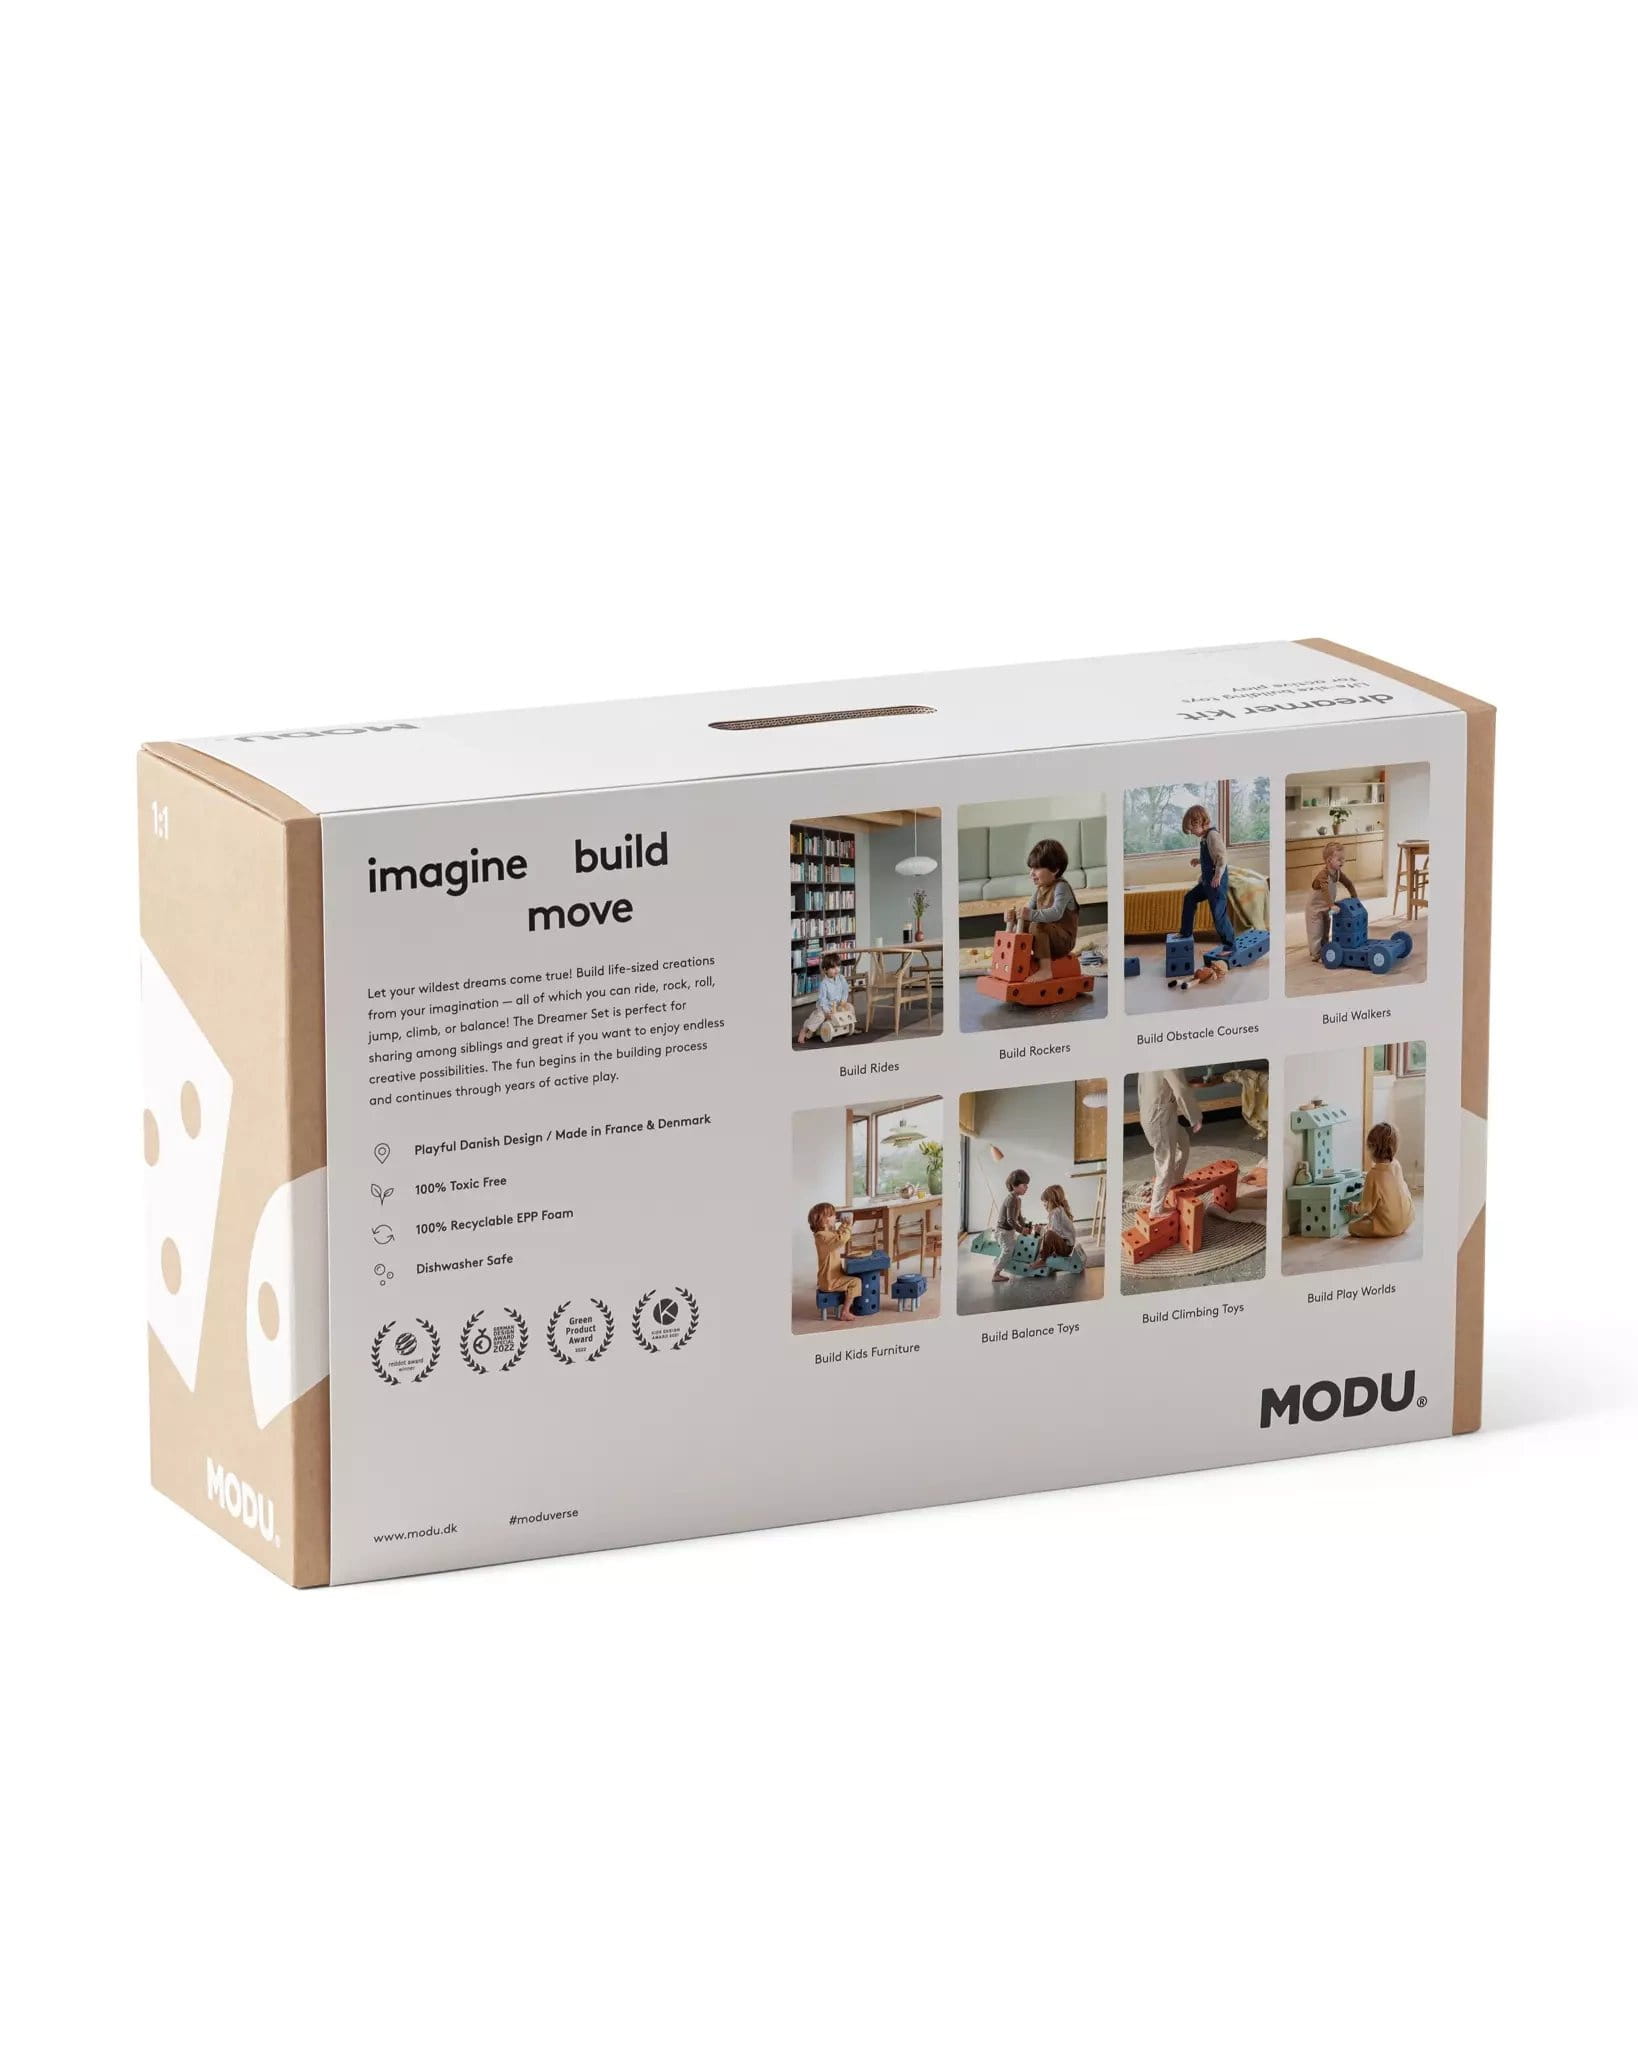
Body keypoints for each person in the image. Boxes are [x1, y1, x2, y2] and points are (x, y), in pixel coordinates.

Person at [1001, 838, 1080, 981]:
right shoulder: (1039, 889)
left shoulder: (1062, 887)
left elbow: (1056, 913)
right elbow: (1027, 910)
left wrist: (1030, 914)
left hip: (1062, 941)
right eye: (1031, 868)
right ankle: (1011, 963)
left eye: (1036, 868)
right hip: (1048, 938)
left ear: (1055, 870)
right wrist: (1014, 916)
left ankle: (1045, 970)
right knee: (1025, 924)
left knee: (1037, 924)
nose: (1031, 873)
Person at [1138, 1068, 1202, 1218]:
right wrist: (1194, 1117)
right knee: (1165, 1162)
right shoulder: (1169, 1063)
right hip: (1159, 1117)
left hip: (1159, 1113)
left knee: (1183, 1141)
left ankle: (1174, 1179)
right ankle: (1156, 1209)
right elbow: (1181, 1090)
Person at [1178, 802, 1235, 948]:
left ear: (1200, 822)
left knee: (1218, 914)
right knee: (1190, 898)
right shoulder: (1204, 838)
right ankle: (1186, 932)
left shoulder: (1213, 835)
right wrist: (1199, 861)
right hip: (1207, 882)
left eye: (1192, 829)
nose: (1192, 833)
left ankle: (1230, 946)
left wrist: (1217, 876)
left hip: (1216, 883)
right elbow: (1210, 857)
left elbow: (1222, 858)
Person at [1347, 1123, 1416, 1238]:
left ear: (1372, 1148)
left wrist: (1354, 1207)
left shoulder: (1373, 1175)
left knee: (1352, 1226)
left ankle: (1383, 1225)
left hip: (1390, 1226)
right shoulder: (1396, 1165)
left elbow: (1366, 1207)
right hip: (1408, 1218)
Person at [807, 1202, 866, 1314]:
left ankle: (847, 1305)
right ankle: (845, 1312)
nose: (835, 1217)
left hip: (831, 1277)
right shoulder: (822, 1237)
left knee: (852, 1276)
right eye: (832, 1215)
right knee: (856, 1282)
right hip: (830, 1280)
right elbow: (842, 1239)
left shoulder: (826, 1234)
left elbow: (838, 1235)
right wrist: (848, 1225)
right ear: (824, 1220)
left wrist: (844, 1225)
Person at [1306, 842, 1358, 960]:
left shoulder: (1338, 873)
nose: (1342, 862)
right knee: (1316, 931)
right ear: (1329, 860)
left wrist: (1354, 897)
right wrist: (1331, 905)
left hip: (1326, 907)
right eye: (1339, 859)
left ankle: (1324, 949)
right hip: (1314, 908)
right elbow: (1324, 889)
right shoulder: (1322, 875)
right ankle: (1316, 954)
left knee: (1325, 928)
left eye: (1343, 859)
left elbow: (1349, 883)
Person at [795, 951, 855, 1045]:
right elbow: (823, 1000)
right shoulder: (824, 984)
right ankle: (804, 1030)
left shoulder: (841, 978)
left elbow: (845, 990)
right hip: (825, 1007)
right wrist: (827, 1012)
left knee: (850, 1007)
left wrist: (843, 1001)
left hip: (838, 1005)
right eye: (833, 967)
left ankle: (849, 1024)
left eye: (838, 966)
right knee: (820, 1016)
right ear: (825, 970)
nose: (836, 969)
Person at [1022, 1184, 1077, 1272]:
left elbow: (1054, 1232)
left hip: (1065, 1248)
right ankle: (1044, 1255)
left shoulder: (1056, 1212)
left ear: (1051, 1201)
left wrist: (1042, 1231)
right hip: (1067, 1246)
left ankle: (1043, 1260)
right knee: (1048, 1234)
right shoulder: (1059, 1210)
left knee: (1049, 1234)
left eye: (1045, 1202)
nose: (1044, 1204)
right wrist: (1042, 1229)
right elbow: (1053, 1228)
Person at [992, 1168, 1031, 1283]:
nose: (1027, 1188)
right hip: (1003, 1232)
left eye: (1027, 1185)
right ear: (1014, 1186)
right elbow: (1010, 1220)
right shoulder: (1011, 1199)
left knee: (1017, 1246)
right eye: (1024, 1185)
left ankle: (1011, 1265)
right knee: (1008, 1250)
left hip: (1010, 1231)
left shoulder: (1018, 1199)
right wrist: (1021, 1230)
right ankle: (996, 1274)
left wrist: (1025, 1226)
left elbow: (1019, 1217)